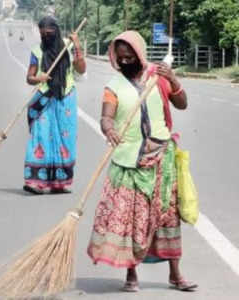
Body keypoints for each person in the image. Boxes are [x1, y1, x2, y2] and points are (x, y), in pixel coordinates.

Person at [87, 31, 198, 292]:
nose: (125, 62)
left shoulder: (158, 77)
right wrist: (108, 128)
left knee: (168, 218)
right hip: (130, 163)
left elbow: (182, 104)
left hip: (162, 158)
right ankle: (131, 275)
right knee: (132, 220)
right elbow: (106, 117)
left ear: (139, 53)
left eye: (130, 56)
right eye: (121, 58)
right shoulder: (113, 86)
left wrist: (173, 78)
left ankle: (175, 275)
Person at [23, 16, 86, 195]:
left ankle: (59, 182)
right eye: (43, 34)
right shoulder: (37, 51)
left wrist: (78, 45)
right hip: (44, 97)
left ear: (56, 32)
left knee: (65, 138)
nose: (47, 37)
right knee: (41, 137)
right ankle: (35, 181)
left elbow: (81, 69)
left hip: (65, 97)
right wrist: (38, 78)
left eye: (50, 34)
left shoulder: (68, 46)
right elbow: (29, 77)